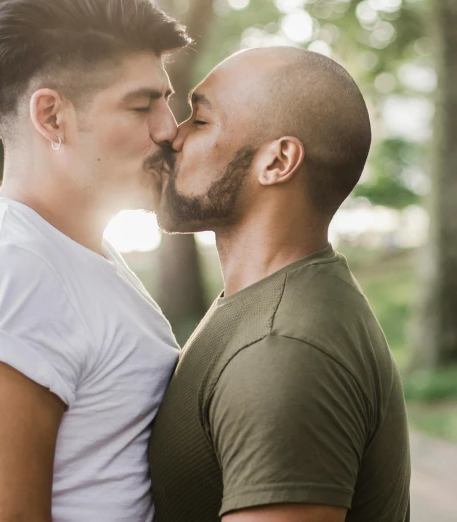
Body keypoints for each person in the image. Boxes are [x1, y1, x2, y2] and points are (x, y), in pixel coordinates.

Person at [0, 1, 191, 521]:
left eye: (165, 101)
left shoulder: (60, 252)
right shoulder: (8, 272)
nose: (170, 129)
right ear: (52, 116)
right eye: (142, 105)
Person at [148, 46, 411, 522]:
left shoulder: (283, 348)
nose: (172, 134)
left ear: (277, 161)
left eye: (200, 121)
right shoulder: (270, 305)